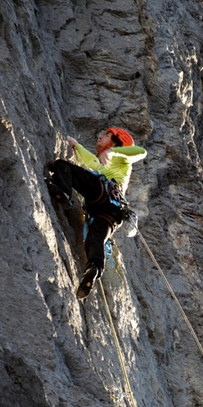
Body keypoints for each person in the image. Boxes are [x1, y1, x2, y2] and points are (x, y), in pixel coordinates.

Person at [46, 127, 147, 299]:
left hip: (103, 195)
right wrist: (76, 146)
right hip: (113, 213)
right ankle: (94, 268)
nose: (99, 137)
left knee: (62, 166)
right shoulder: (106, 166)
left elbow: (141, 152)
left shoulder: (123, 159)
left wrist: (113, 151)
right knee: (95, 239)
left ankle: (63, 192)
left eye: (106, 136)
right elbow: (92, 162)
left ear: (116, 142)